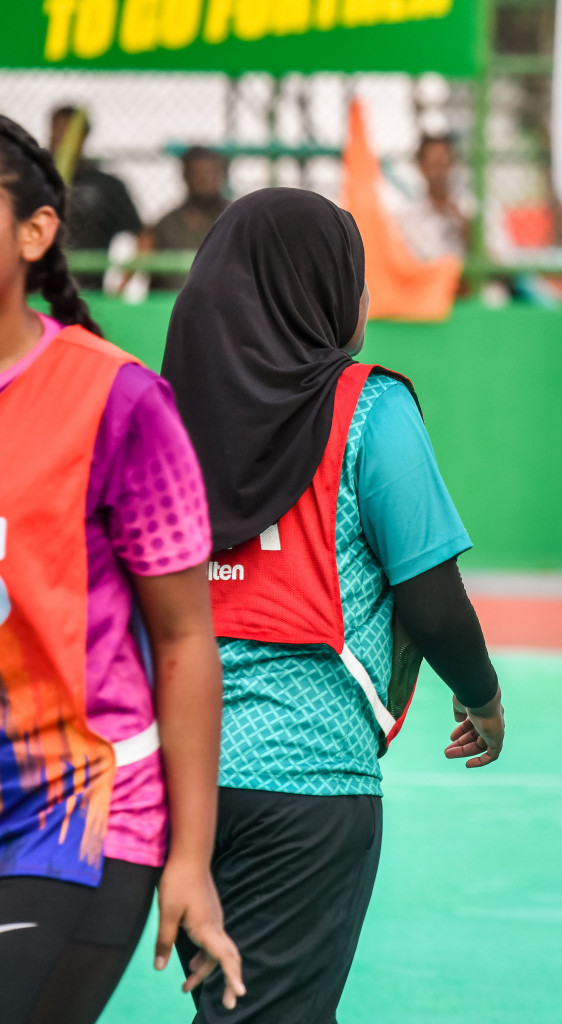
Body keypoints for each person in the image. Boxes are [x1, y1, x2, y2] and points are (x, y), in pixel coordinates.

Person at [160, 187, 506, 1023]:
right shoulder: (367, 408)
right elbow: (430, 596)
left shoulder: (162, 412)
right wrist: (483, 695)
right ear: (321, 291)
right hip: (306, 777)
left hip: (175, 773)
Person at [0, 115, 243, 1024]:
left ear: (36, 233)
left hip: (72, 815)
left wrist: (190, 859)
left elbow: (184, 637)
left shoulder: (115, 399)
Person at [48, 105, 143, 289]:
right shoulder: (36, 180)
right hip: (39, 290)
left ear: (83, 137)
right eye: (56, 129)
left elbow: (142, 236)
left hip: (89, 291)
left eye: (68, 132)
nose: (61, 138)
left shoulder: (106, 186)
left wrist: (121, 287)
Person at [146, 147, 230, 291]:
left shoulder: (236, 218)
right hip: (173, 304)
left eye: (209, 173)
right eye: (197, 174)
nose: (203, 180)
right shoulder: (167, 224)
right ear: (185, 176)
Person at [398, 133, 469, 262]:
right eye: (434, 164)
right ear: (422, 167)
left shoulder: (468, 207)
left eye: (443, 164)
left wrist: (466, 228)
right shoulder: (408, 217)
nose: (439, 173)